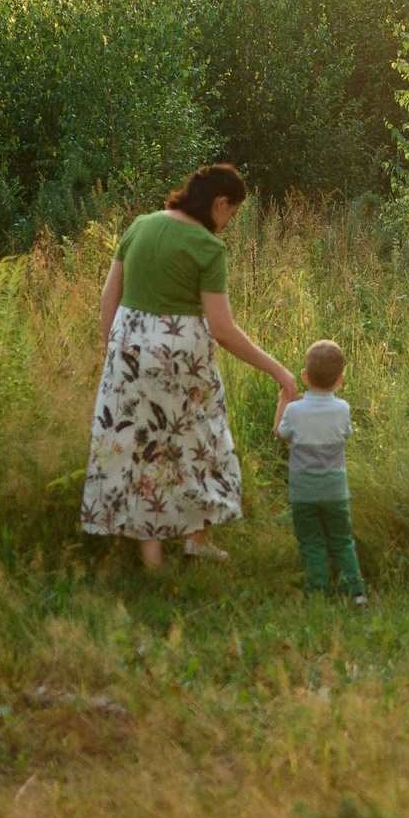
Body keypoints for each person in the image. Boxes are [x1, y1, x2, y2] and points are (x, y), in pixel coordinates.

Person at [81, 164, 297, 569]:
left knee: (142, 451)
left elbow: (109, 297)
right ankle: (196, 539)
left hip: (126, 353)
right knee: (201, 442)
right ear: (218, 203)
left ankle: (153, 560)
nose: (229, 223)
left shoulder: (139, 226)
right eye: (231, 213)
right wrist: (278, 371)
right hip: (181, 361)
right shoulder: (206, 247)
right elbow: (223, 329)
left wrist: (115, 351)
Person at [274, 338, 364, 604]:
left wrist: (283, 401)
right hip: (335, 490)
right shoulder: (343, 409)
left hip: (304, 492)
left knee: (312, 542)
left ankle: (318, 592)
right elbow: (343, 435)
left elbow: (281, 434)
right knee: (342, 540)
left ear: (304, 376)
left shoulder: (294, 410)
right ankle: (355, 591)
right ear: (340, 380)